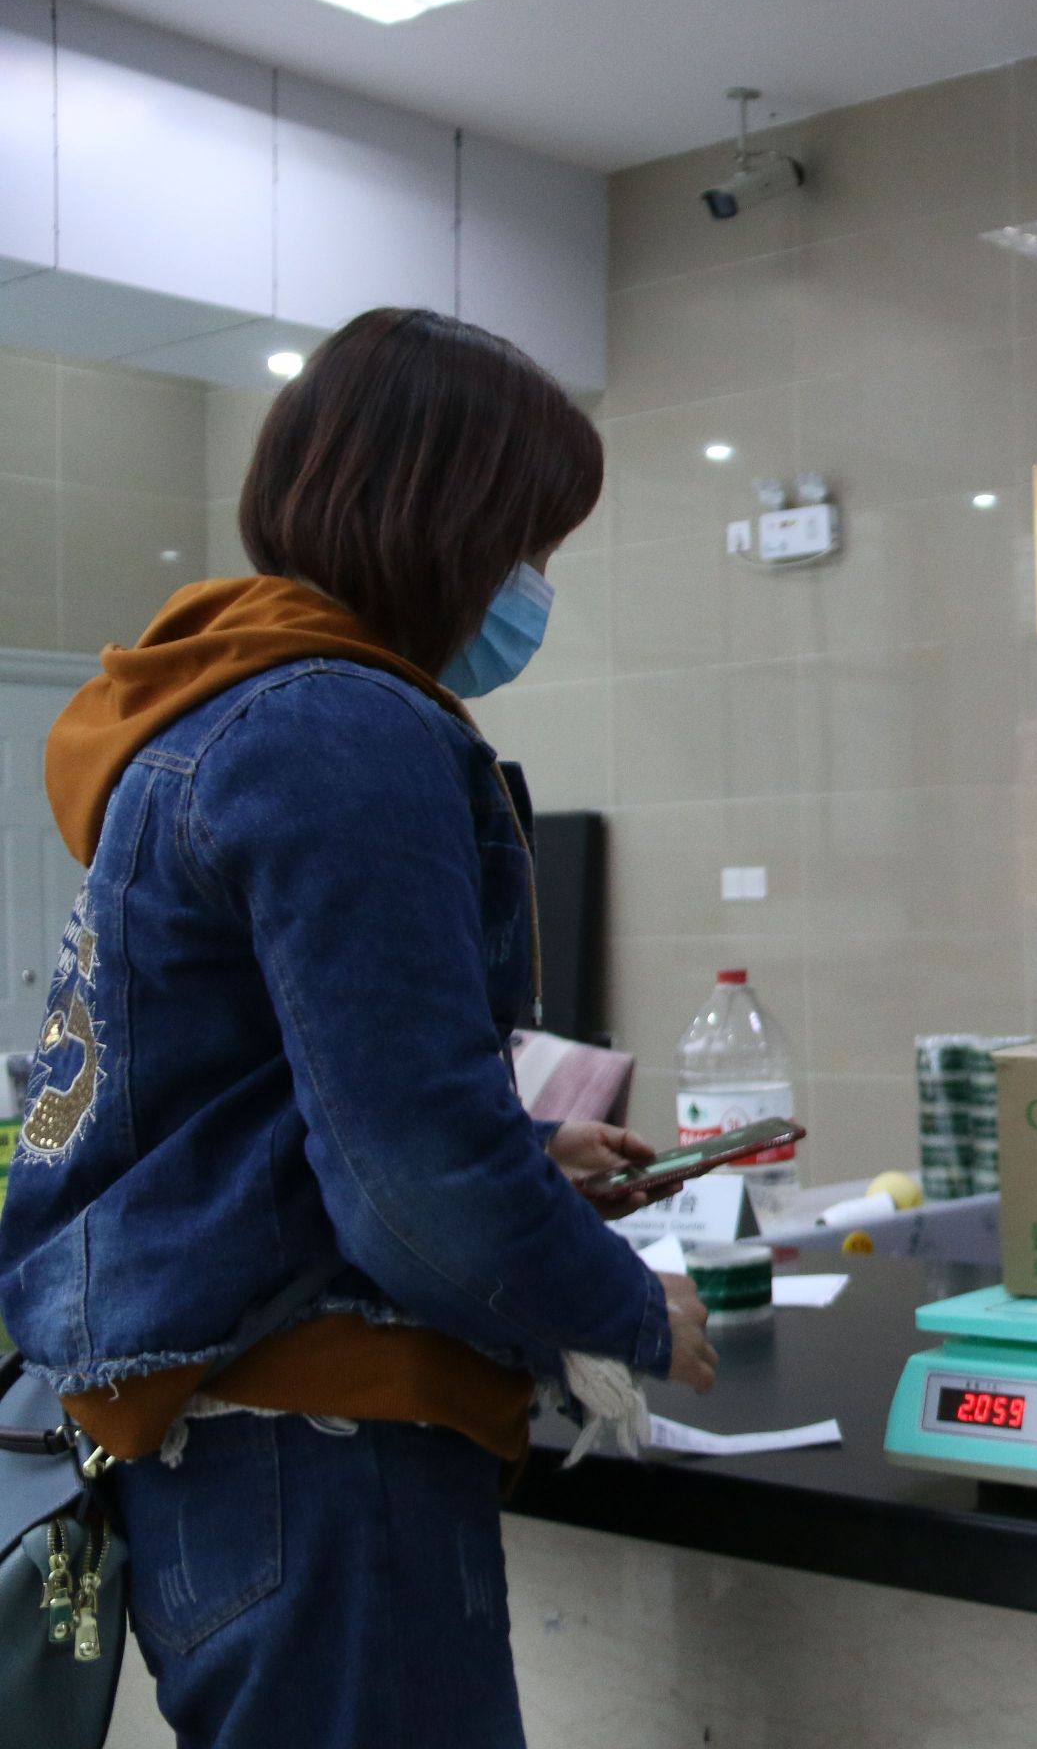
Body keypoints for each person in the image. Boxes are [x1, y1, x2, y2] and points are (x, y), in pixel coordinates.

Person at [0, 308, 716, 1749]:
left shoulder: (213, 711)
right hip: (322, 1449)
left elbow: (240, 1099)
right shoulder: (346, 729)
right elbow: (413, 1186)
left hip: (220, 1446)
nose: (533, 584)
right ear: (446, 518)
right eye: (531, 541)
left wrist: (523, 1152)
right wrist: (632, 1310)